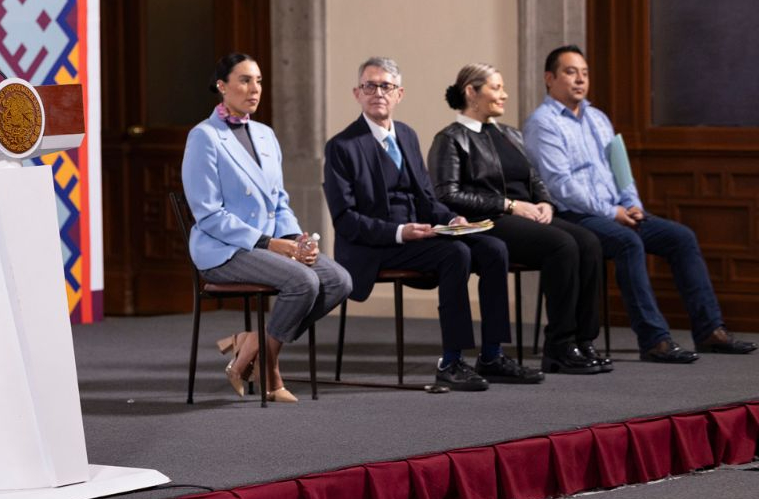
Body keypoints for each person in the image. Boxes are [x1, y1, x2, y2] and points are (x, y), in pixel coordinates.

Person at [522, 45, 756, 362]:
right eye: (570, 72)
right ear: (549, 79)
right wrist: (612, 213)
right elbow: (561, 186)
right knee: (629, 243)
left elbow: (620, 168)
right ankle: (654, 340)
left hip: (618, 211)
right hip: (576, 217)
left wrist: (632, 204)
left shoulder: (598, 118)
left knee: (680, 237)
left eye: (585, 73)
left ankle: (710, 331)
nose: (580, 80)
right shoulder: (543, 123)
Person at [324, 57, 542, 391]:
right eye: (370, 86)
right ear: (357, 94)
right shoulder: (341, 146)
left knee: (494, 248)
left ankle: (493, 355)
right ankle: (451, 362)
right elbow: (345, 219)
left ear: (400, 94)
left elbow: (426, 198)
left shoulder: (407, 136)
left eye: (386, 86)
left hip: (420, 235)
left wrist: (450, 218)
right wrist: (399, 232)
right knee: (454, 253)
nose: (377, 92)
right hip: (374, 247)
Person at [182, 53, 352, 403]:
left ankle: (252, 345)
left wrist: (296, 239)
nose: (254, 89)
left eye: (258, 80)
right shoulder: (204, 137)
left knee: (338, 280)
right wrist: (269, 243)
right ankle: (270, 368)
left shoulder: (265, 134)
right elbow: (209, 215)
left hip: (271, 242)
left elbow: (279, 200)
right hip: (223, 249)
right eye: (244, 80)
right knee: (302, 281)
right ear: (222, 86)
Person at [428, 63, 608, 375]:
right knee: (562, 245)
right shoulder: (450, 138)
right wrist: (509, 204)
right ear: (471, 92)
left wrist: (545, 203)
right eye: (496, 88)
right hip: (487, 220)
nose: (505, 95)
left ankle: (583, 340)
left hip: (525, 215)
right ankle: (559, 347)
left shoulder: (510, 134)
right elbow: (447, 195)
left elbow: (534, 178)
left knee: (590, 242)